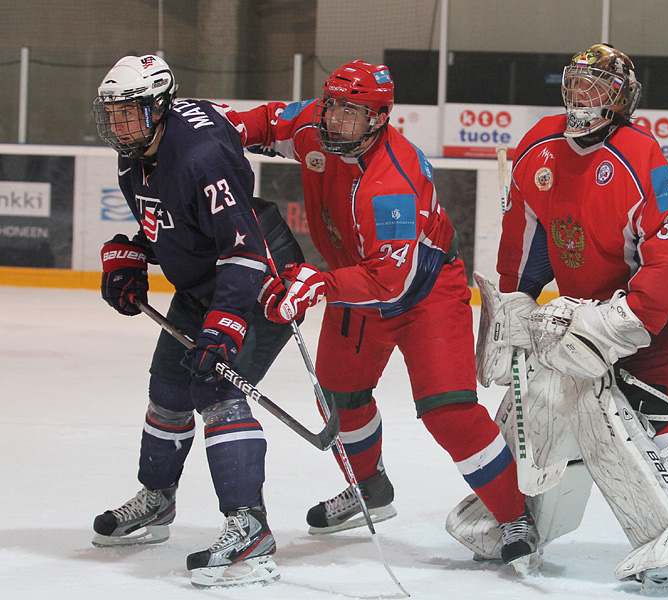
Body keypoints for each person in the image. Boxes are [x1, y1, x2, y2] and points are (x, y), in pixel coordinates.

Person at [225, 60, 538, 574]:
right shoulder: (313, 127)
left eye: (352, 113)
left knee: (448, 411)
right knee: (339, 395)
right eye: (332, 107)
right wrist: (188, 122)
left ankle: (515, 516)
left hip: (425, 292)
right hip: (357, 279)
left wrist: (319, 283)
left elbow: (390, 280)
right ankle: (369, 487)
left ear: (379, 119)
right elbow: (255, 123)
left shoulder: (390, 179)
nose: (335, 121)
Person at [461, 43, 668, 588]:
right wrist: (516, 302)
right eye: (576, 84)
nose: (583, 95)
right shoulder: (540, 146)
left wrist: (623, 322)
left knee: (635, 403)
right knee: (545, 389)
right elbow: (528, 240)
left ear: (621, 99)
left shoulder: (638, 154)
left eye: (597, 87)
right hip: (596, 300)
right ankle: (513, 514)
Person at [91, 54, 304, 588]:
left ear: (159, 106)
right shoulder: (135, 153)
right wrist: (132, 254)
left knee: (217, 392)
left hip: (256, 281)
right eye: (113, 115)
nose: (120, 126)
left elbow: (244, 250)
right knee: (167, 387)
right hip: (203, 279)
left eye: (130, 114)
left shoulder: (203, 156)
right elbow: (173, 225)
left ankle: (251, 532)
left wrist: (224, 325)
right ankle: (159, 501)